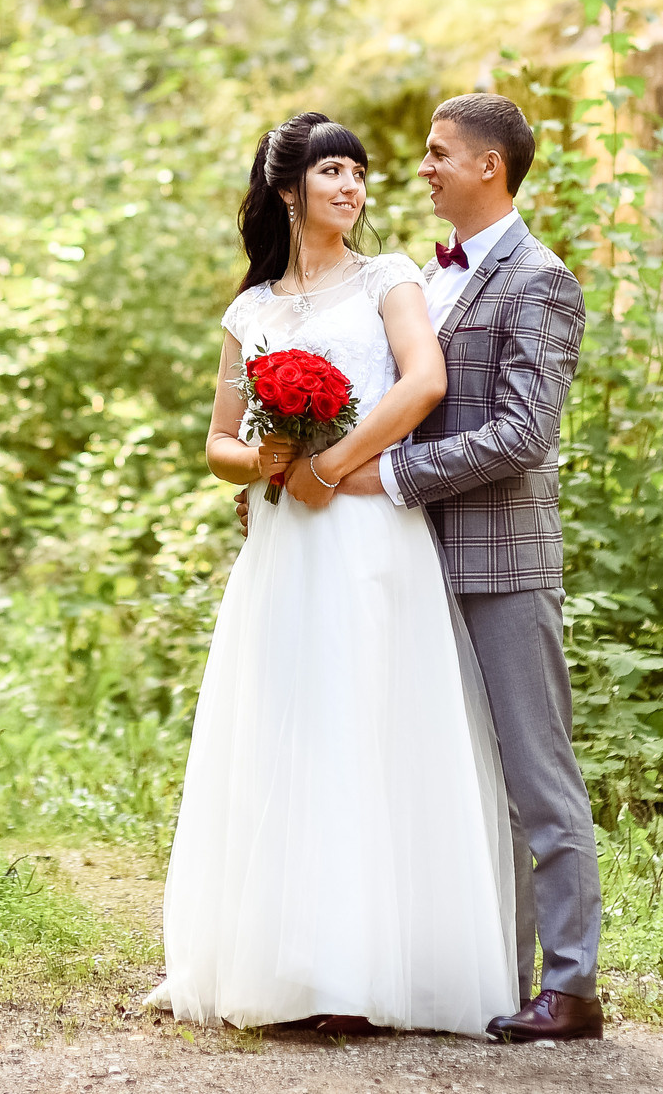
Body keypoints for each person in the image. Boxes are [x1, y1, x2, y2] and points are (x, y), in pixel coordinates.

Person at [147, 112, 521, 1036]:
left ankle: (368, 971)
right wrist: (266, 461)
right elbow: (218, 442)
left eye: (359, 173)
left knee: (366, 726)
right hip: (283, 547)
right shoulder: (251, 310)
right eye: (332, 173)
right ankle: (291, 966)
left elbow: (423, 383)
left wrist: (329, 464)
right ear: (289, 190)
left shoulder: (391, 278)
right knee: (289, 732)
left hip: (368, 537)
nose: (352, 188)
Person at [332, 93, 602, 1043]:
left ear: (491, 165)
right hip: (413, 563)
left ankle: (571, 986)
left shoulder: (541, 281)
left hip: (500, 564)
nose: (424, 168)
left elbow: (524, 434)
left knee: (537, 779)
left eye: (440, 153)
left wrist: (389, 475)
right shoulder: (428, 277)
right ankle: (482, 972)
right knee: (449, 778)